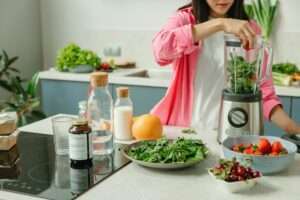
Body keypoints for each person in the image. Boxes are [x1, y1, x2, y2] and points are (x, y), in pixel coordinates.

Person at [151, 0, 300, 134]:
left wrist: (291, 127)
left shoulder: (249, 29)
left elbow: (262, 90)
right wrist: (220, 24)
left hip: (233, 133)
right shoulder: (185, 19)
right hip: (185, 131)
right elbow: (160, 50)